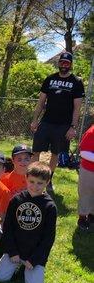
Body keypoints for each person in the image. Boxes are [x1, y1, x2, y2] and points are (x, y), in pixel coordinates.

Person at [0, 161, 57, 283]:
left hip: (34, 254)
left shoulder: (50, 206)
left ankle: (28, 267)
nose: (35, 186)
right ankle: (16, 263)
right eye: (32, 181)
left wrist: (35, 259)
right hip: (15, 250)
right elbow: (8, 228)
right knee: (0, 277)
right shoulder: (16, 200)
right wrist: (12, 252)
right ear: (26, 179)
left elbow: (48, 238)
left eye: (40, 183)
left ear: (47, 182)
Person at [31, 52, 85, 191]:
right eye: (62, 62)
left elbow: (77, 108)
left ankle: (48, 180)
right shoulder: (50, 79)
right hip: (46, 122)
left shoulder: (77, 82)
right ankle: (33, 179)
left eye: (67, 63)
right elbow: (41, 102)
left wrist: (73, 127)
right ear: (58, 63)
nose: (64, 65)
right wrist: (35, 120)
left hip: (63, 126)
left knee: (55, 154)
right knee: (35, 151)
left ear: (71, 65)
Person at [77, 123, 94, 232]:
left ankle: (92, 216)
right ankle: (82, 218)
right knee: (86, 193)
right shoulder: (91, 132)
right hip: (89, 170)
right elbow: (83, 152)